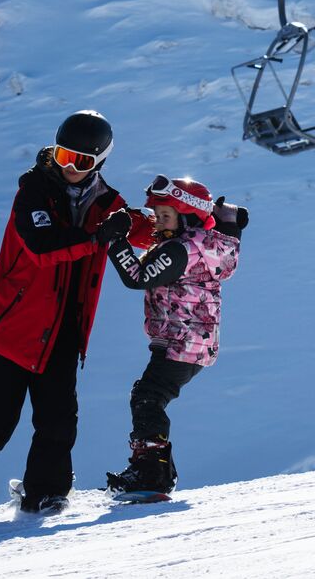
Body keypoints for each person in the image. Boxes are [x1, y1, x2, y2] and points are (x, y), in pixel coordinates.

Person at [0, 110, 132, 519]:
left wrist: (197, 225)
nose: (70, 168)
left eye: (83, 161)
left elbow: (143, 228)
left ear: (101, 163)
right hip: (12, 327)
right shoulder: (34, 191)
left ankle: (46, 493)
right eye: (63, 155)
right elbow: (42, 246)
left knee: (58, 422)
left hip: (63, 332)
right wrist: (96, 237)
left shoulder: (108, 203)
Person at [104, 175, 246, 496]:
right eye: (158, 215)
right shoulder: (200, 243)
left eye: (166, 216)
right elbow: (225, 232)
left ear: (187, 218)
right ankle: (152, 469)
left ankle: (152, 475)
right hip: (188, 343)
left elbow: (137, 276)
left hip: (182, 343)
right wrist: (230, 219)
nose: (159, 222)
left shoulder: (181, 251)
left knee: (148, 398)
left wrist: (114, 241)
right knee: (147, 396)